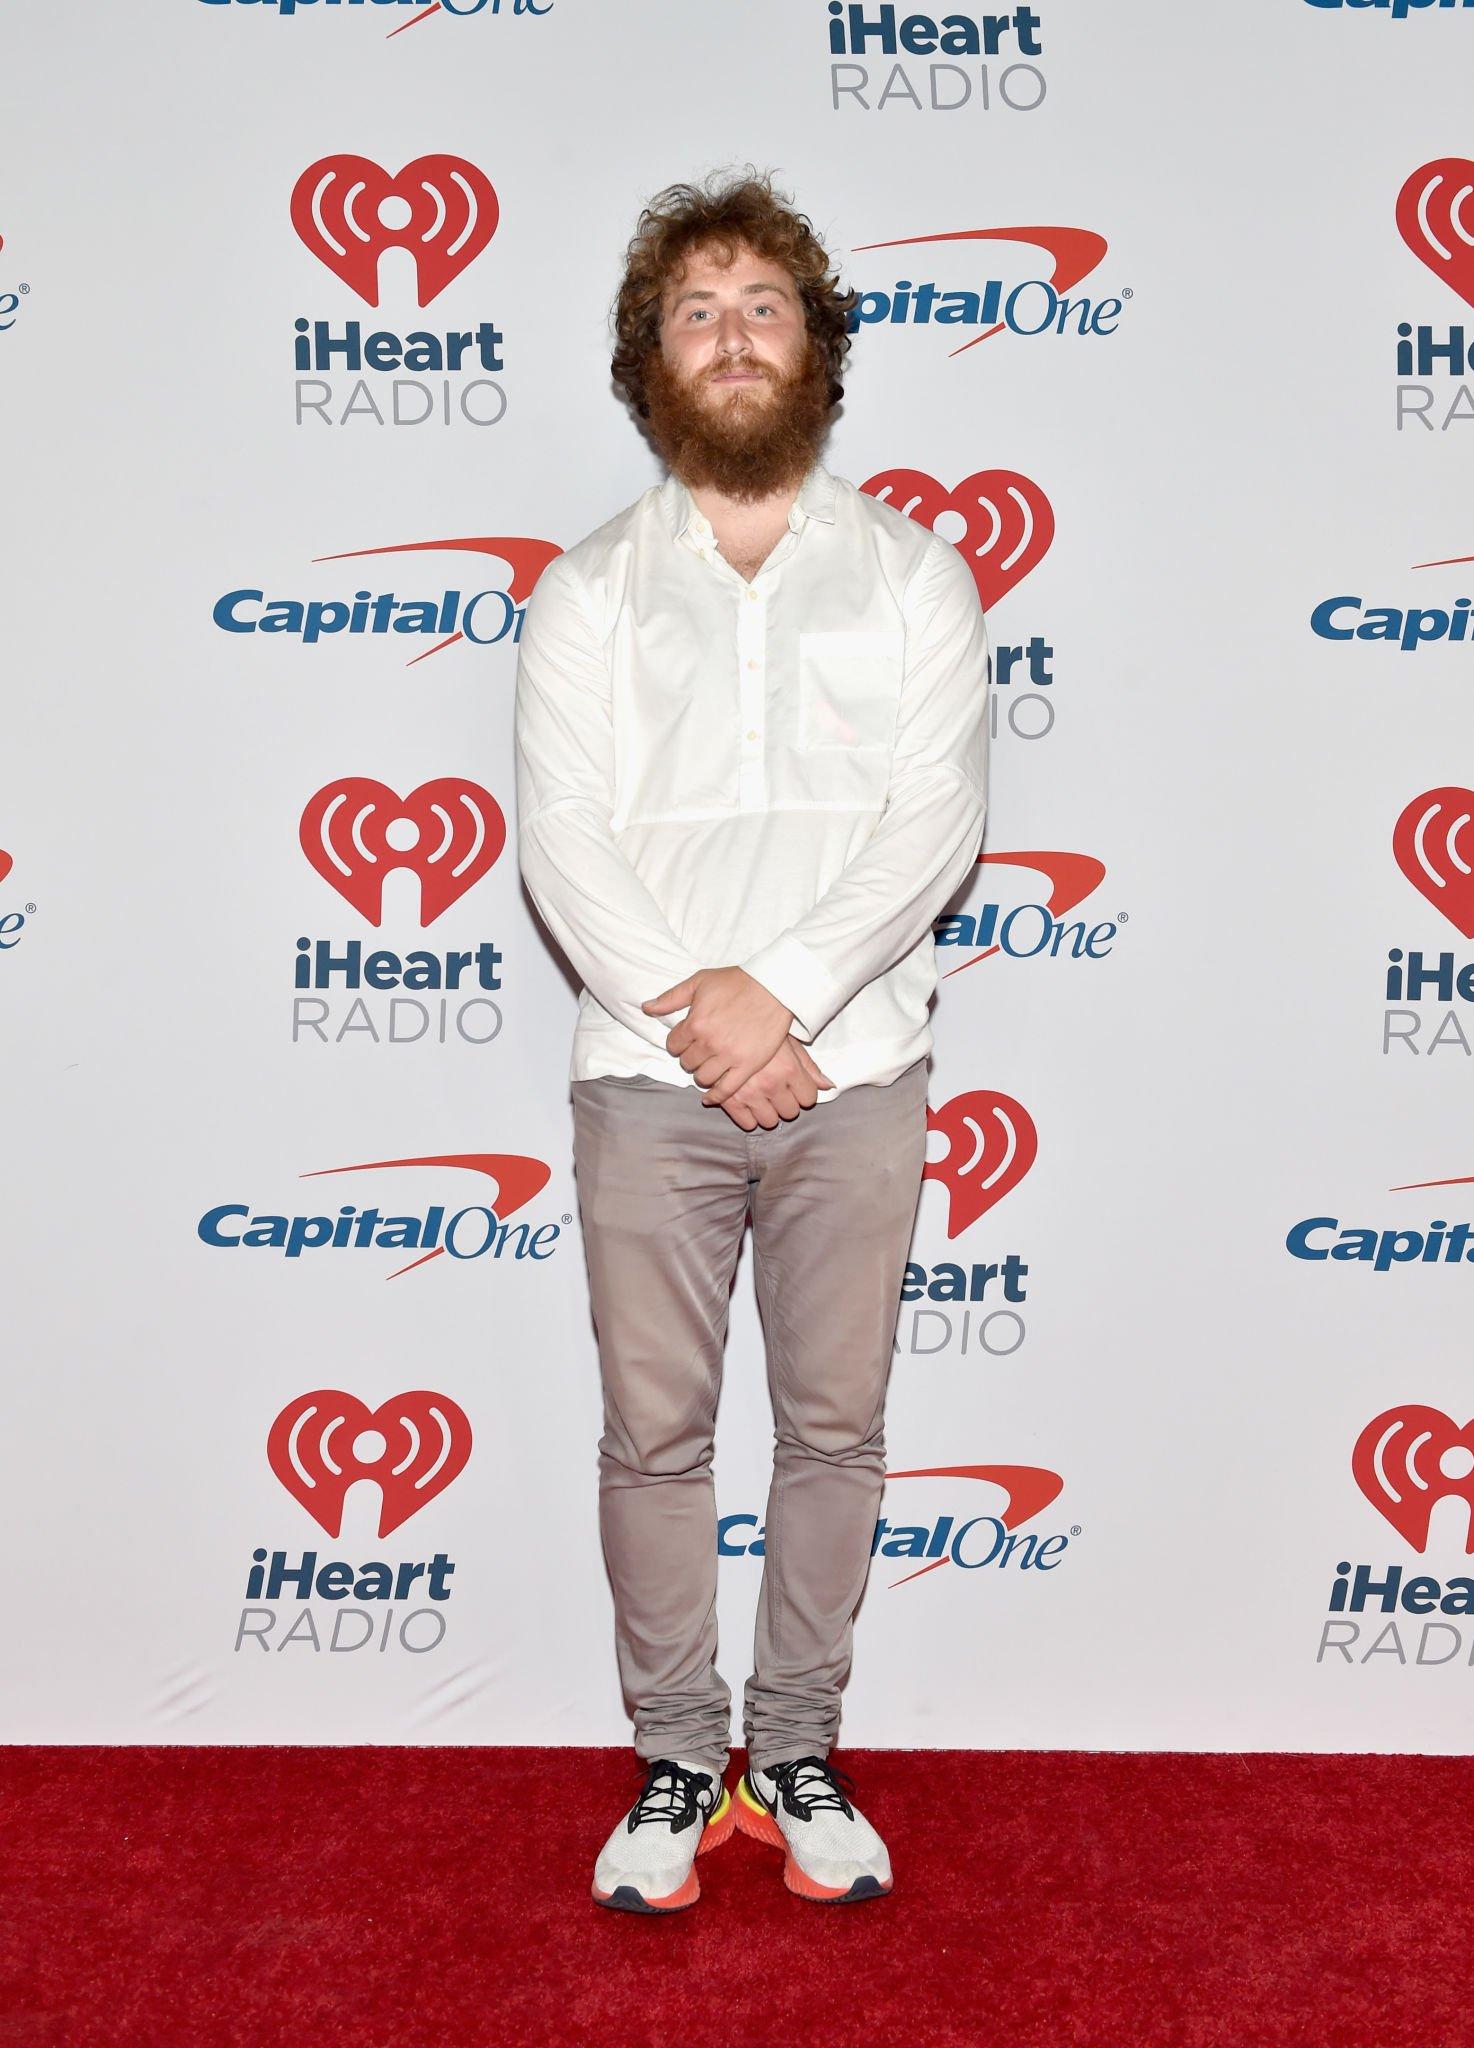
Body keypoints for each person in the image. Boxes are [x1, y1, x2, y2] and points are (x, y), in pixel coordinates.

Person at [512, 168, 990, 1913]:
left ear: (817, 346)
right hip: (648, 1084)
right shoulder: (582, 594)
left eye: (762, 304)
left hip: (855, 1076)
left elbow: (929, 824)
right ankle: (667, 1759)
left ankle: (794, 1749)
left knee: (834, 1430)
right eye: (695, 311)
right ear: (651, 360)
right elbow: (564, 838)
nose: (731, 336)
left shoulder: (917, 579)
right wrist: (711, 1025)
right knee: (652, 1440)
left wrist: (775, 998)